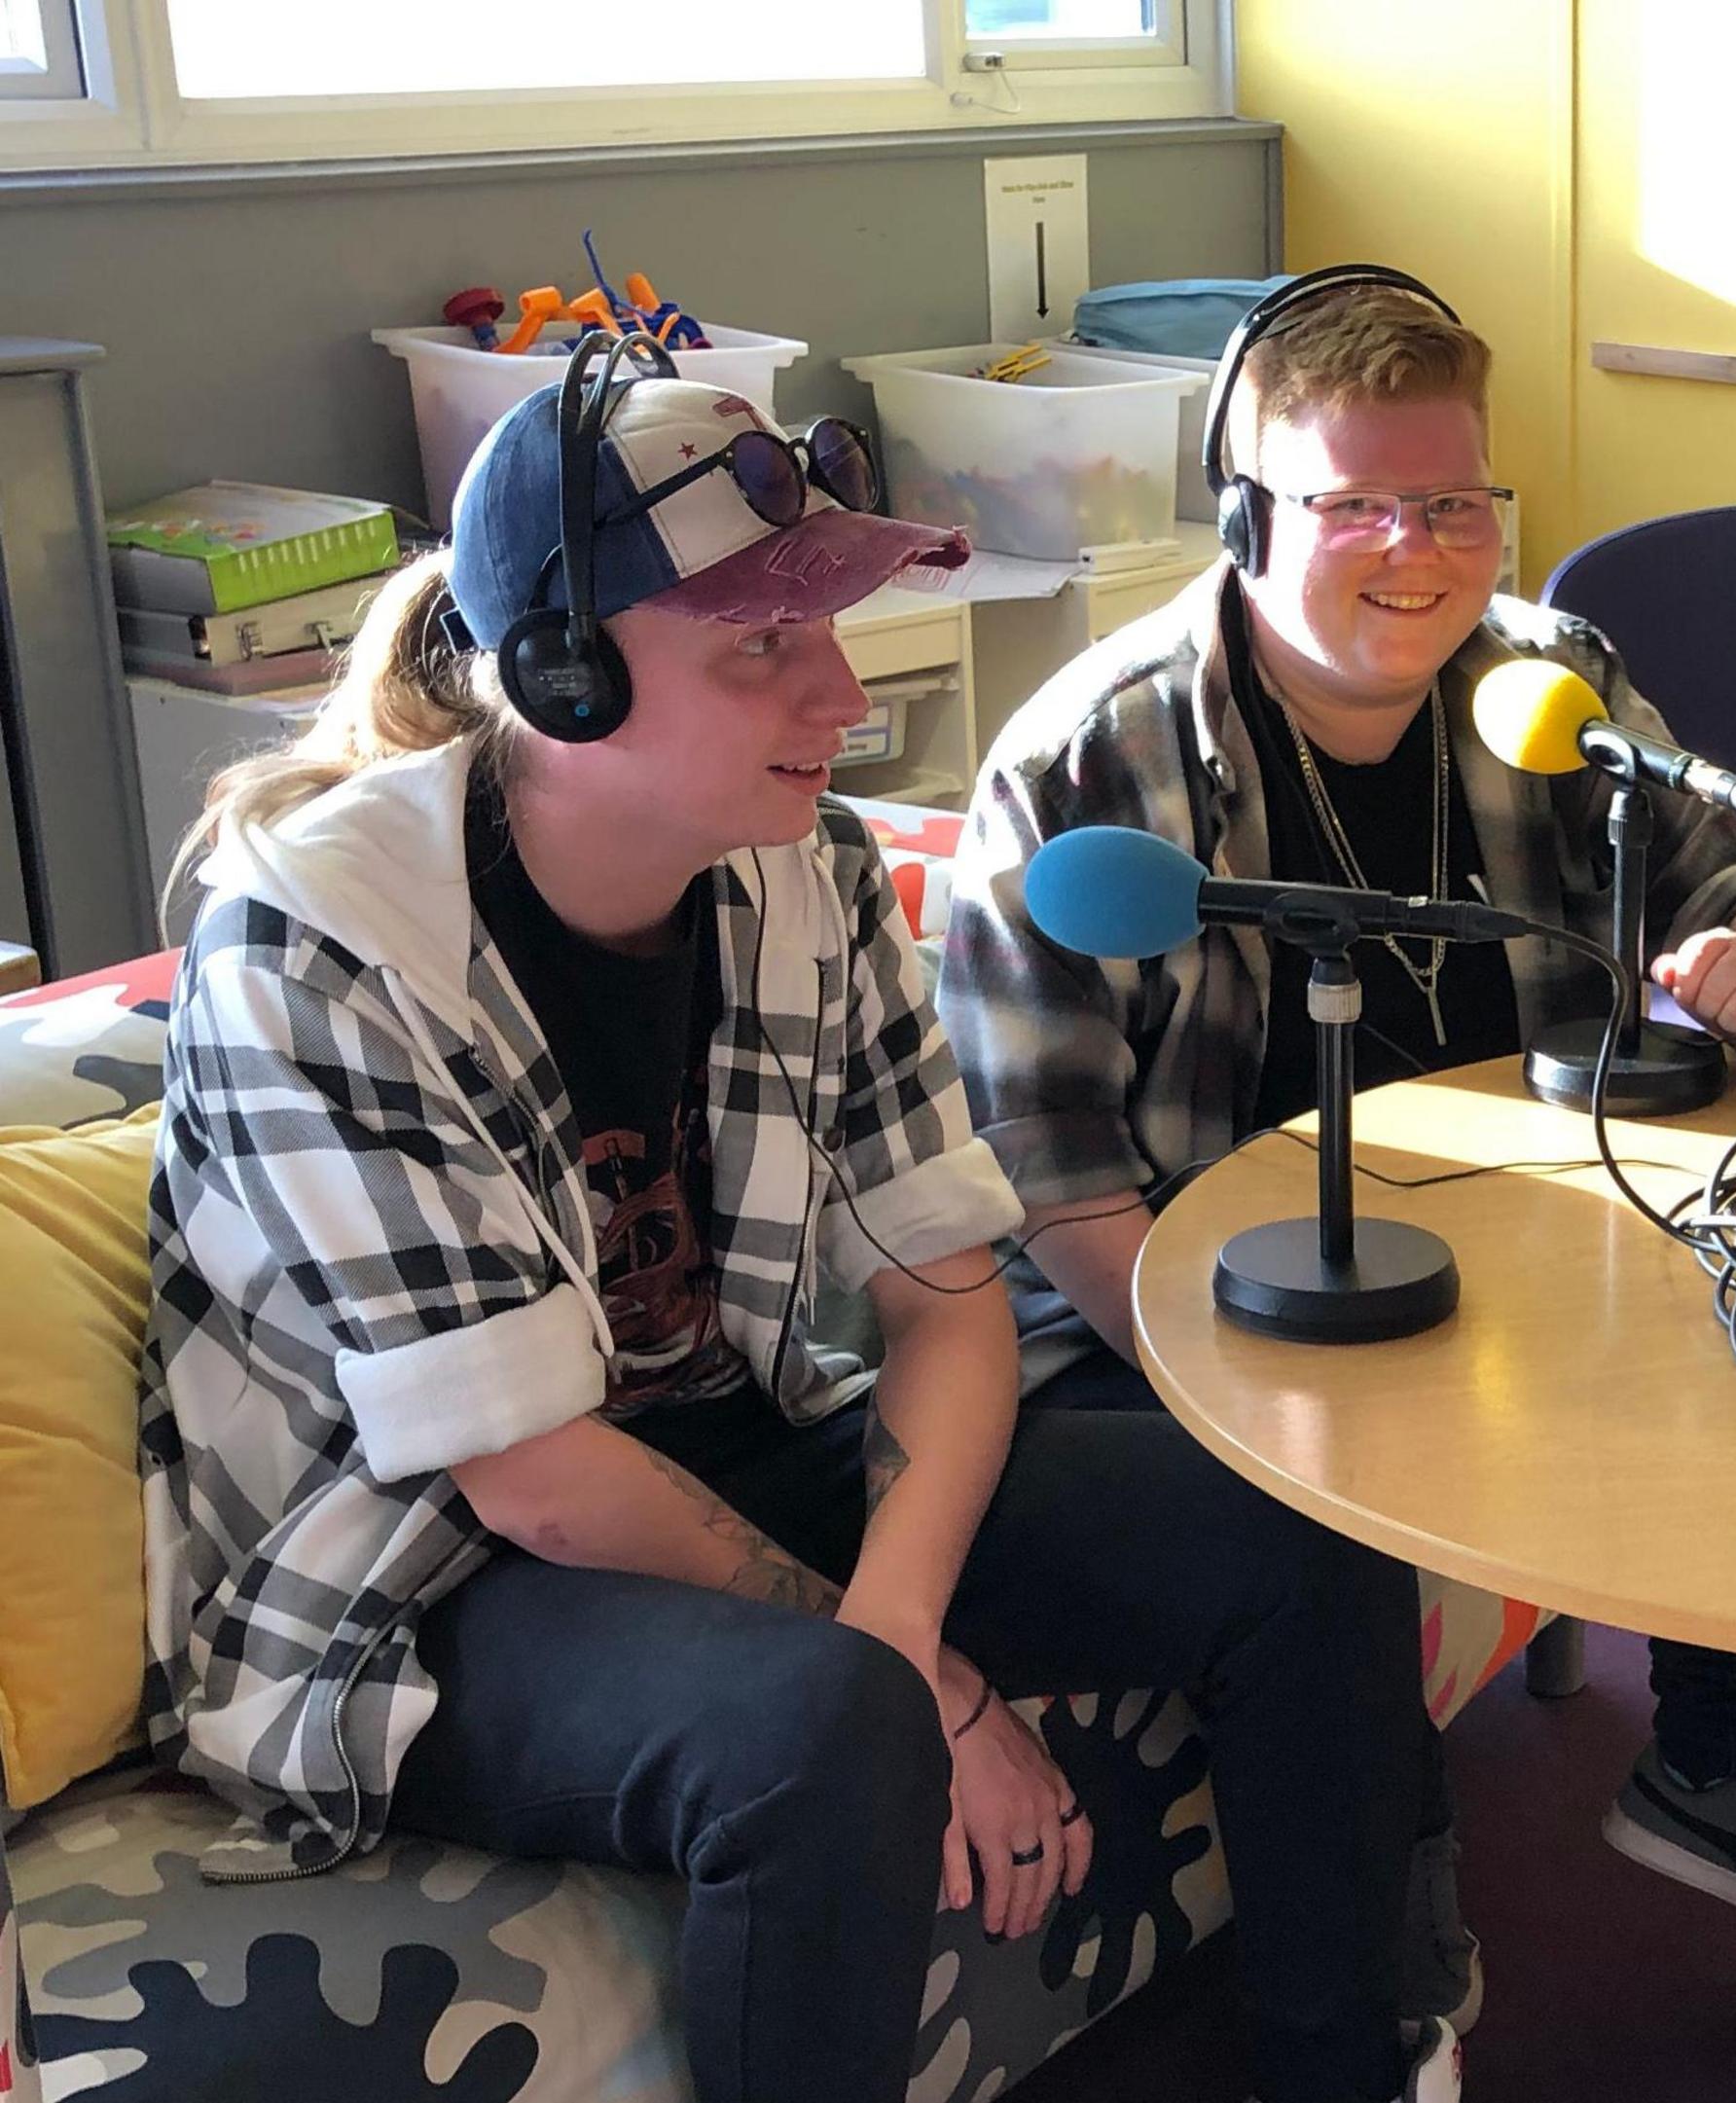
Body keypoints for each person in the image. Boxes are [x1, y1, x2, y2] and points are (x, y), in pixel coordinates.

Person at [141, 338, 1454, 2103]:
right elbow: (525, 1474)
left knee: (1302, 1523)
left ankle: (1348, 2071)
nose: (838, 698)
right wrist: (911, 1693)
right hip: (419, 1579)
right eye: (764, 645)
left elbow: (945, 1292)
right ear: (563, 677)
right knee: (823, 1734)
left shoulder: (809, 868)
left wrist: (907, 1631)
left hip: (732, 1445)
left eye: (827, 632)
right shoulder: (317, 941)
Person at [940, 272, 1736, 1991]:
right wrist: (1253, 1401)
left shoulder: (1555, 684)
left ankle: (1717, 1760)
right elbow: (1052, 1178)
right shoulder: (1089, 768)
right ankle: (1388, 1932)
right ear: (1248, 513)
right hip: (1187, 1311)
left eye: (1458, 499)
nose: (1421, 545)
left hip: (1511, 1244)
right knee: (1311, 1536)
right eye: (1358, 504)